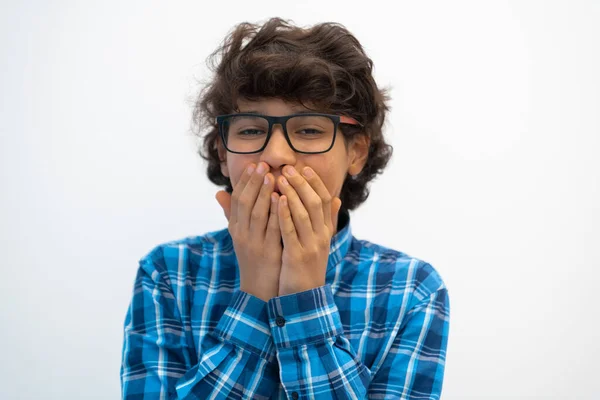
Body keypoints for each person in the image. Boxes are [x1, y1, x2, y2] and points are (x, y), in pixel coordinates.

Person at [120, 17, 450, 399]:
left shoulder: (411, 290)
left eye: (309, 130)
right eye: (250, 130)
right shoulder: (168, 274)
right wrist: (256, 291)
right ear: (223, 154)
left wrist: (304, 298)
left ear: (356, 152)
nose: (276, 155)